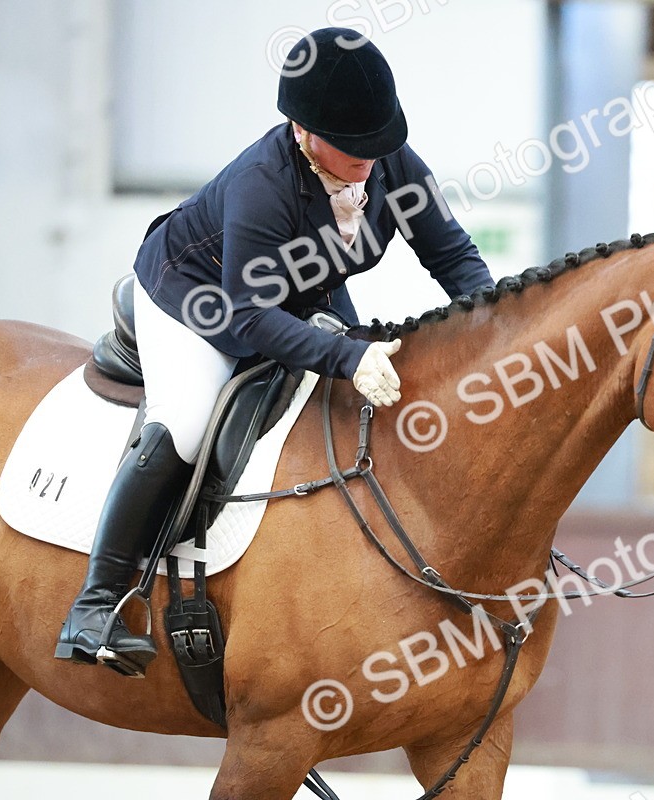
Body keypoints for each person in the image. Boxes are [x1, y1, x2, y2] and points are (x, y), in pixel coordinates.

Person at [54, 27, 493, 675]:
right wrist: (347, 356)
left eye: (378, 142)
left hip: (297, 290)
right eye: (353, 148)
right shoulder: (263, 182)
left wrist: (492, 329)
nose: (371, 160)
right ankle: (94, 606)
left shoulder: (388, 159)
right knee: (187, 423)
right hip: (198, 298)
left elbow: (453, 258)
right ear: (303, 132)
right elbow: (248, 317)